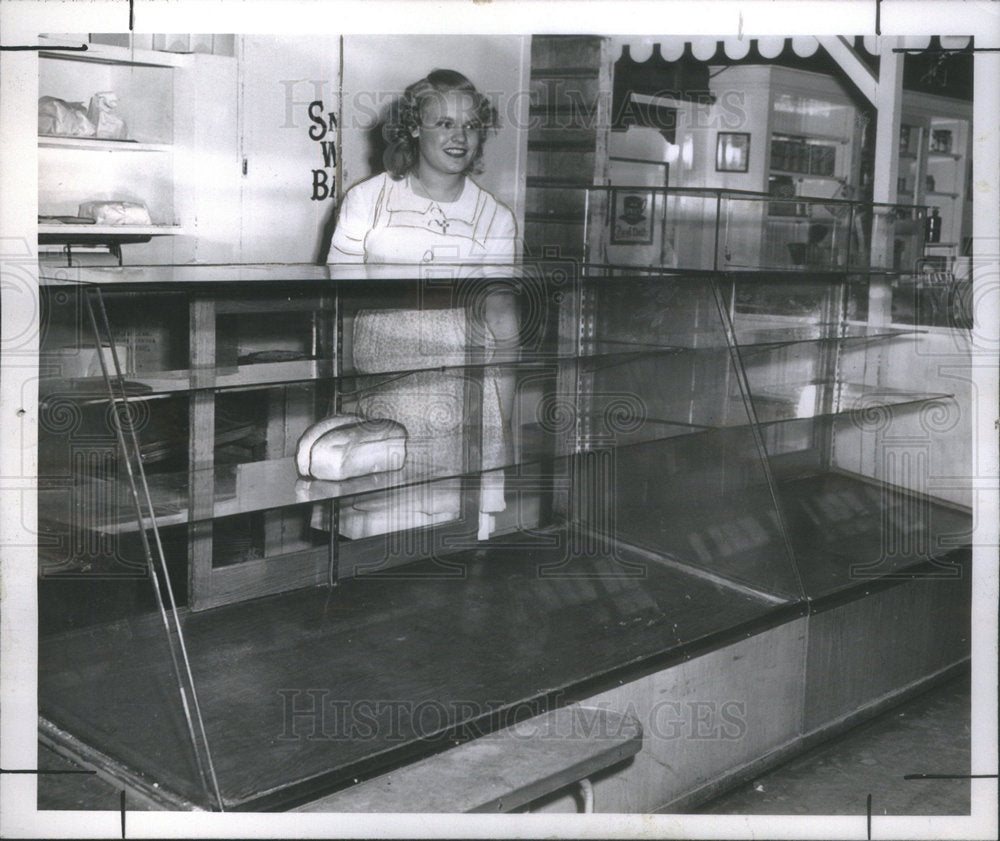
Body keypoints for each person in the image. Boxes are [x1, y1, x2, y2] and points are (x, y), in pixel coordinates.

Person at [329, 69, 519, 541]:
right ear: (414, 127)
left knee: (457, 540)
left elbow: (503, 320)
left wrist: (503, 423)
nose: (460, 137)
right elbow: (335, 304)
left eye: (471, 126)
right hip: (382, 387)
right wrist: (341, 397)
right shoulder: (366, 200)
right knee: (378, 530)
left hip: (465, 393)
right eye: (444, 124)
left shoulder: (493, 215)